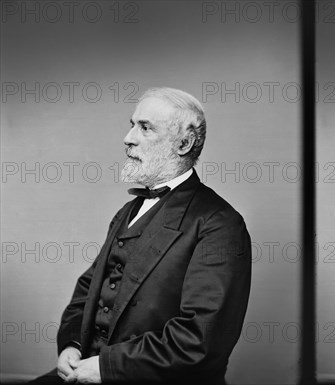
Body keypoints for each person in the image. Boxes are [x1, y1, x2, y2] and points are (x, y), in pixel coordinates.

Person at [31, 87, 252, 384]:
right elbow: (89, 287)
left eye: (145, 128)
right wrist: (73, 344)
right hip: (87, 371)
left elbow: (202, 338)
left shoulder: (219, 224)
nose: (128, 138)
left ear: (184, 144)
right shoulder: (127, 211)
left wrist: (109, 367)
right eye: (132, 124)